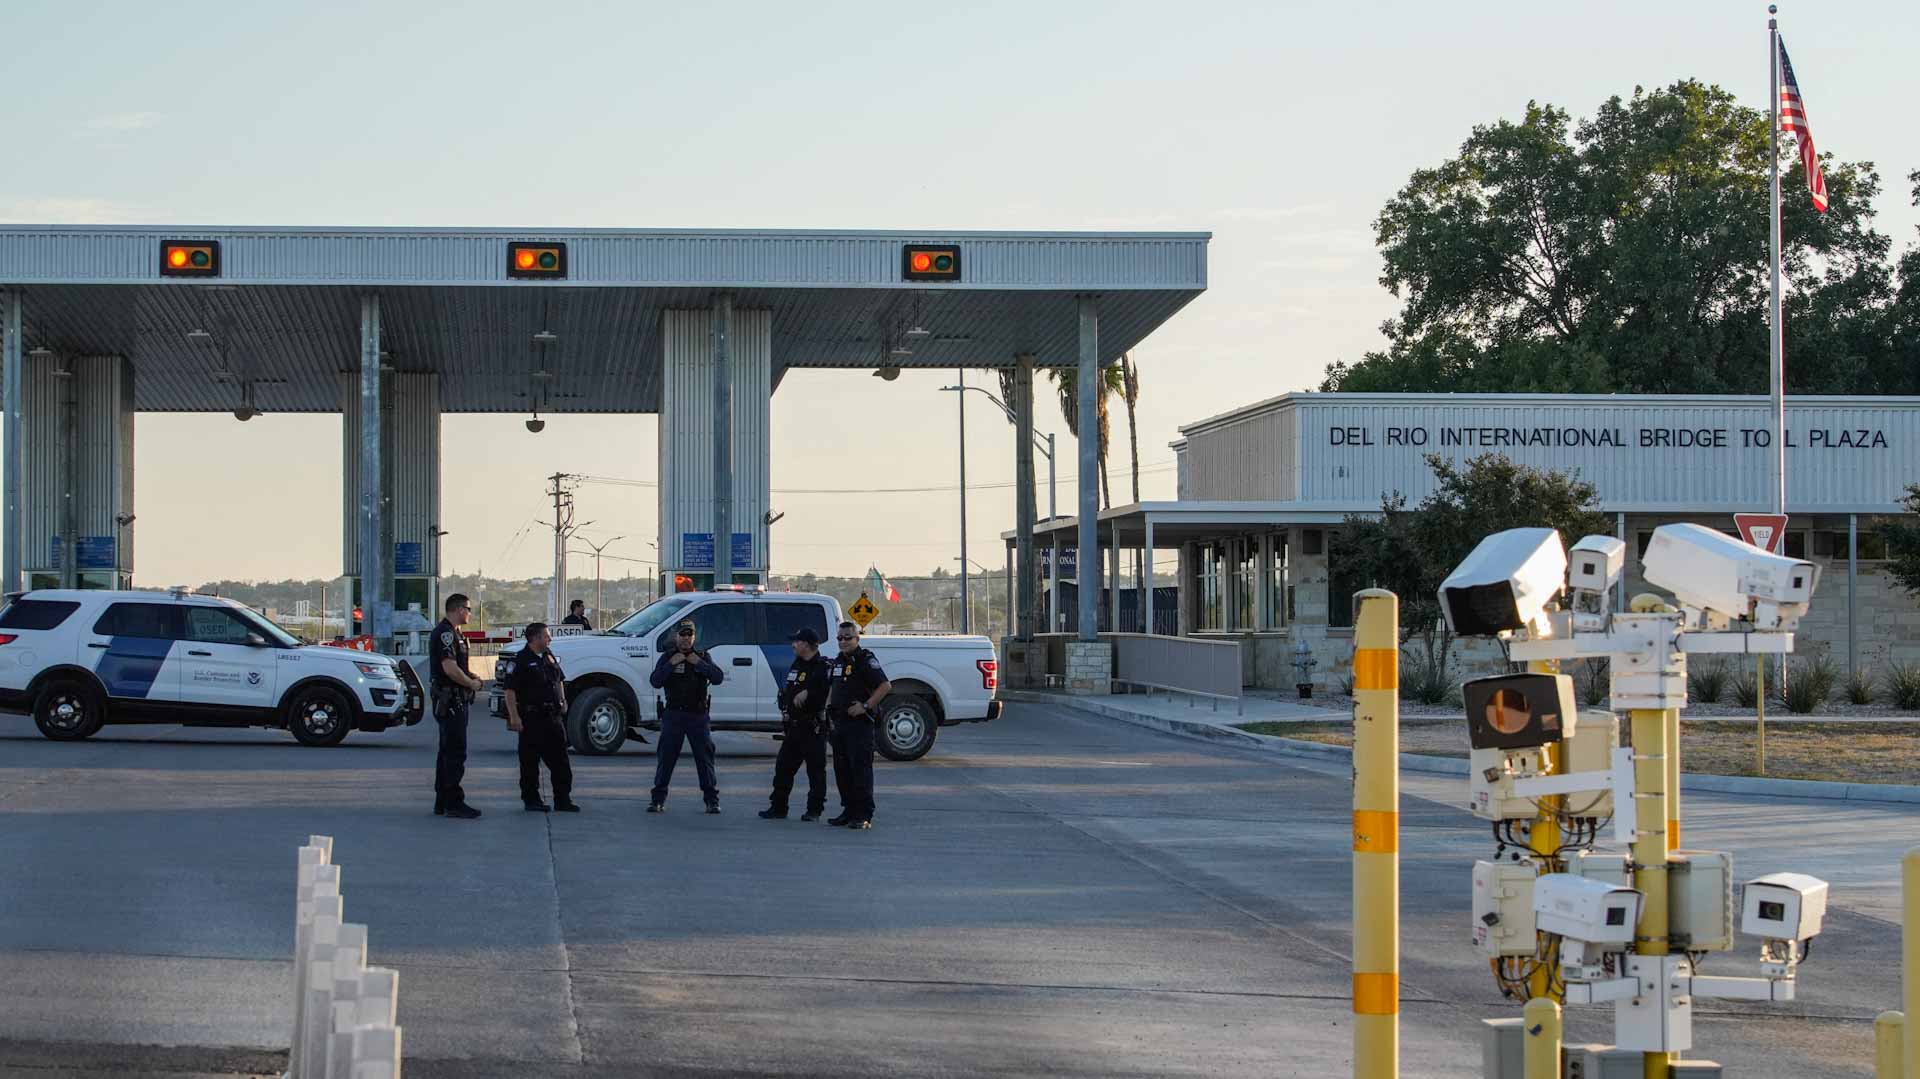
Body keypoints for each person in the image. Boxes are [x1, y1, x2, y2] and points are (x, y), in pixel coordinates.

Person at [647, 619, 724, 813]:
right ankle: (657, 799)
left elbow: (718, 677)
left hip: (697, 716)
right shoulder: (668, 657)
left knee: (705, 759)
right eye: (682, 634)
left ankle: (711, 801)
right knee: (666, 758)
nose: (686, 639)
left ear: (694, 637)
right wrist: (671, 664)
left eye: (689, 634)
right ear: (676, 636)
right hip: (673, 715)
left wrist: (698, 663)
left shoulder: (703, 656)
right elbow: (655, 681)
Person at [759, 627, 831, 822]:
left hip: (813, 727)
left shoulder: (823, 667)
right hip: (794, 728)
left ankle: (814, 811)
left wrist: (809, 692)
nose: (793, 645)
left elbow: (827, 692)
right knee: (783, 768)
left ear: (806, 645)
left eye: (797, 642)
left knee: (815, 772)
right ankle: (778, 807)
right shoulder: (797, 664)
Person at [505, 621, 578, 813]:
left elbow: (558, 679)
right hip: (531, 718)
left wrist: (563, 701)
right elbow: (510, 691)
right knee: (530, 763)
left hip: (552, 717)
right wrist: (514, 717)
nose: (550, 639)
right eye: (546, 636)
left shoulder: (548, 656)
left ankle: (563, 800)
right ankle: (532, 800)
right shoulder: (520, 660)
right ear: (535, 638)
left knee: (561, 761)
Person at [825, 621, 892, 831]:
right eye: (840, 638)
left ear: (857, 639)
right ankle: (849, 811)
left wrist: (865, 706)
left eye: (848, 638)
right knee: (842, 770)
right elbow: (832, 688)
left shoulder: (865, 660)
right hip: (840, 723)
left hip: (859, 725)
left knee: (860, 770)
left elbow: (885, 686)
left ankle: (863, 815)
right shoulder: (838, 661)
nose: (843, 642)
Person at [430, 593, 487, 819]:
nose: (470, 613)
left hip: (455, 698)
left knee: (447, 751)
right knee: (455, 752)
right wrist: (471, 683)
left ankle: (442, 801)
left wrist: (473, 677)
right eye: (468, 609)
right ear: (458, 609)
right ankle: (453, 802)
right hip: (450, 700)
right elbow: (449, 668)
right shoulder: (445, 633)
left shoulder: (455, 634)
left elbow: (458, 667)